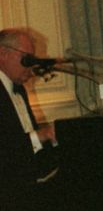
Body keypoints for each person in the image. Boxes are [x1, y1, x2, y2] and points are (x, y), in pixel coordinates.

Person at [0, 28, 59, 210]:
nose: (32, 66)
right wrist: (40, 136)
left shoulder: (19, 89)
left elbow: (27, 143)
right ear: (3, 54)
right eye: (27, 59)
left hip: (27, 187)